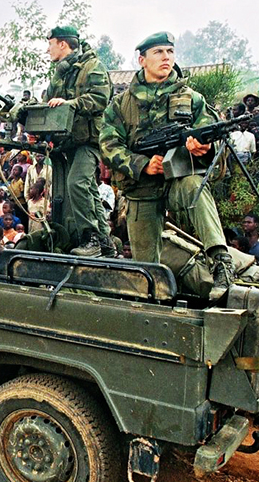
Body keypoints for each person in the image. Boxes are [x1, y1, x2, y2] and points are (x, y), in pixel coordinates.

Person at [99, 31, 234, 300]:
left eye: (170, 51)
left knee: (195, 186)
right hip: (141, 188)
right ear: (142, 60)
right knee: (146, 271)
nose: (166, 57)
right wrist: (142, 164)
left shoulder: (192, 98)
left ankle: (221, 263)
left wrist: (204, 148)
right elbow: (108, 144)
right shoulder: (122, 104)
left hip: (178, 180)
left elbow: (212, 135)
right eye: (158, 52)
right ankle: (155, 306)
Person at [44, 25, 115, 257]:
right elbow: (48, 100)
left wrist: (71, 103)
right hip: (71, 140)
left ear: (62, 44)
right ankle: (105, 242)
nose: (48, 50)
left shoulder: (92, 67)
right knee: (89, 190)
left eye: (50, 44)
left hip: (90, 139)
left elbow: (100, 98)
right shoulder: (63, 71)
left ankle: (90, 238)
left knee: (76, 183)